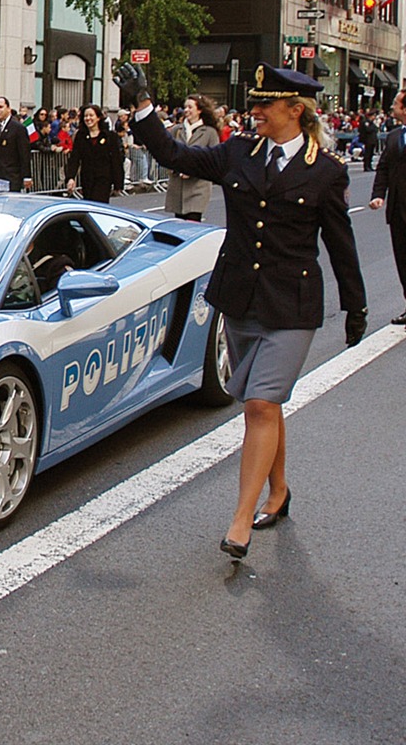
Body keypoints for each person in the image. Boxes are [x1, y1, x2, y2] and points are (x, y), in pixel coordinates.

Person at [116, 61, 367, 561]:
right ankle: (278, 490)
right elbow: (173, 154)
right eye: (252, 105)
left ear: (295, 111)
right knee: (261, 400)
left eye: (264, 105)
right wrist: (141, 104)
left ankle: (240, 520)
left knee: (257, 405)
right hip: (241, 297)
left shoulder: (326, 171)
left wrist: (355, 307)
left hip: (292, 305)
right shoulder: (237, 153)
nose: (254, 113)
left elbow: (341, 245)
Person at [370, 88, 406, 324]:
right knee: (403, 261)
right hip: (398, 210)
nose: (392, 107)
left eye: (395, 103)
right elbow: (383, 168)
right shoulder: (394, 136)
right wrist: (378, 194)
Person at [164, 95, 221, 221]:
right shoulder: (176, 130)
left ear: (199, 110)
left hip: (198, 187)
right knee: (179, 225)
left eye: (190, 107)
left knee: (192, 222)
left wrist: (193, 171)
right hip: (178, 186)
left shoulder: (210, 132)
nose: (186, 110)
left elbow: (214, 159)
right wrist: (176, 169)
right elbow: (168, 154)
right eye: (185, 107)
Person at [64, 104, 124, 203]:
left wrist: (118, 183)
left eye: (91, 115)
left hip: (103, 179)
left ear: (98, 117)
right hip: (87, 179)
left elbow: (116, 160)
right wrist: (70, 178)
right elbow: (74, 158)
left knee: (99, 204)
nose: (88, 118)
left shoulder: (109, 136)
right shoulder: (81, 136)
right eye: (86, 116)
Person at [0, 96, 32, 192]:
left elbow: (24, 153)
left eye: (1, 107)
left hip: (11, 176)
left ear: (8, 108)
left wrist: (27, 176)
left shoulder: (18, 128)